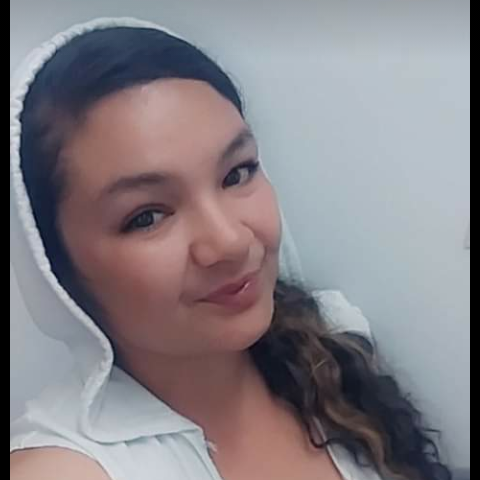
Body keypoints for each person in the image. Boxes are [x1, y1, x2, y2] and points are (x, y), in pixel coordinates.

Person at [10, 17, 451, 480]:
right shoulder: (63, 470)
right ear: (55, 267)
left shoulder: (329, 351)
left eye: (236, 174)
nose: (230, 241)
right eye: (147, 216)